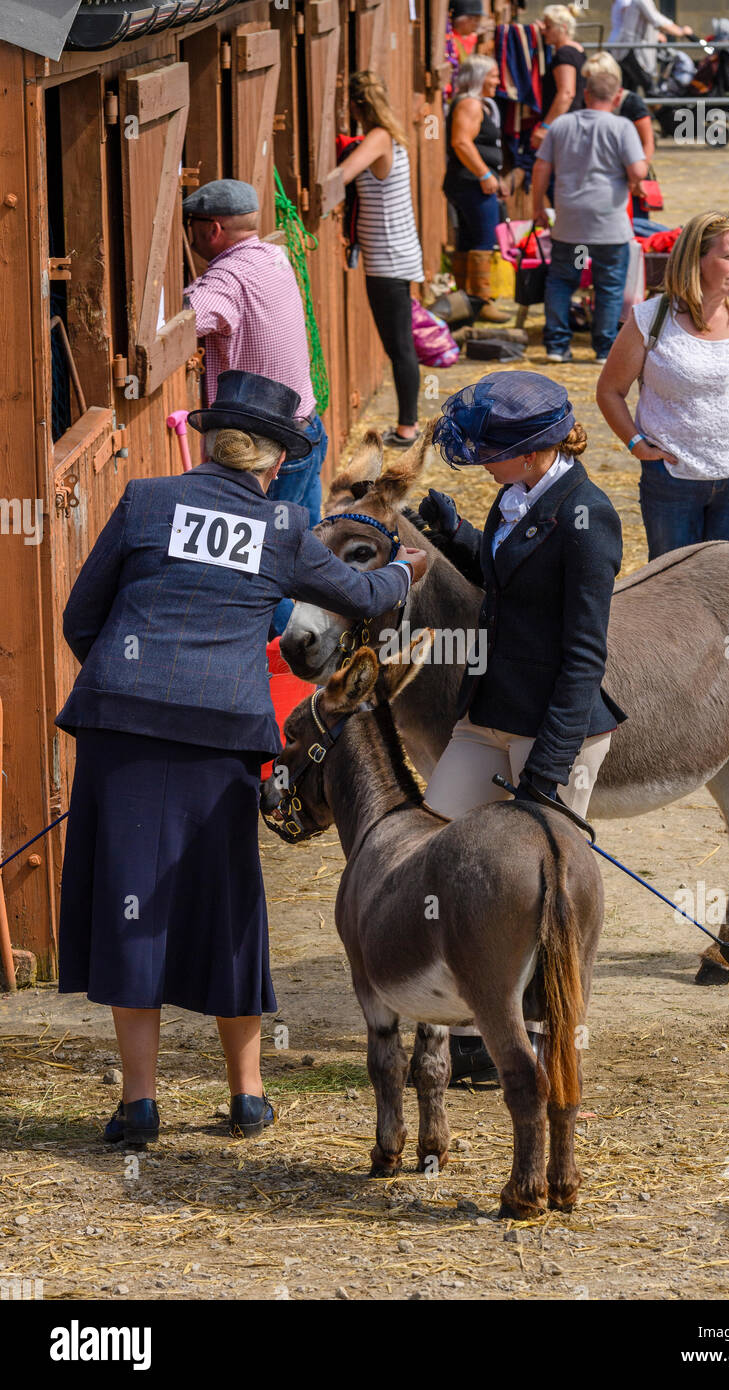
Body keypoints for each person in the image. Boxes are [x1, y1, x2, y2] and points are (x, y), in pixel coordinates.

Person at [55, 370, 427, 1148]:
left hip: (122, 726)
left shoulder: (147, 501)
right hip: (221, 734)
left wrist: (132, 684)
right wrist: (404, 571)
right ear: (269, 462)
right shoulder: (284, 527)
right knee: (228, 907)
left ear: (206, 441)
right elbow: (362, 597)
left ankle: (139, 1106)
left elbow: (81, 617)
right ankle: (248, 1098)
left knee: (132, 901)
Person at [418, 372, 626, 1082]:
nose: (478, 460)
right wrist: (456, 536)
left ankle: (542, 1044)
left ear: (534, 450)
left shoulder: (590, 517)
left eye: (488, 450)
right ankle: (459, 1011)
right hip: (488, 714)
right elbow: (506, 580)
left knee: (543, 893)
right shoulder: (512, 494)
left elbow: (583, 654)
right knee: (432, 840)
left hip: (554, 728)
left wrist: (549, 768)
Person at [596, 211, 729, 559]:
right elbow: (609, 391)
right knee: (673, 586)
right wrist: (636, 444)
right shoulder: (652, 318)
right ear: (696, 259)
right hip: (672, 480)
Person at [183, 178, 327, 634]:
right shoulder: (273, 257)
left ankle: (283, 662)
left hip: (266, 452)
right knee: (304, 553)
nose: (189, 236)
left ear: (213, 229)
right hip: (307, 428)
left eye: (192, 226)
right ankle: (322, 650)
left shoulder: (226, 278)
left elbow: (187, 321)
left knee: (261, 564)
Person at [531, 63, 647, 363]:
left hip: (571, 222)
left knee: (563, 280)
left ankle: (557, 345)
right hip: (608, 223)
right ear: (617, 97)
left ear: (585, 94)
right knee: (608, 284)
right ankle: (603, 347)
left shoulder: (560, 125)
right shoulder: (622, 127)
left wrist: (537, 209)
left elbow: (541, 166)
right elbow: (638, 169)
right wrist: (635, 179)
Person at [339, 72, 426, 449]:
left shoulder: (377, 138)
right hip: (395, 251)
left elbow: (342, 175)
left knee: (399, 346)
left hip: (387, 257)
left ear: (358, 107)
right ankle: (409, 423)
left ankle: (408, 427)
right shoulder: (390, 135)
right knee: (399, 343)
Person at [443, 56, 510, 324]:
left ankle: (463, 303)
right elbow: (461, 142)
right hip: (472, 183)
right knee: (483, 242)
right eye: (493, 75)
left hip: (469, 182)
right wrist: (484, 174)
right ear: (479, 77)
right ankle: (482, 302)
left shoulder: (470, 102)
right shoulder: (470, 104)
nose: (497, 81)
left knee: (468, 243)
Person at [582, 50, 666, 237]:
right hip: (602, 178)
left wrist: (638, 177)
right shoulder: (586, 101)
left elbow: (647, 142)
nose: (591, 85)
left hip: (631, 176)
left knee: (635, 229)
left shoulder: (631, 102)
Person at [529, 6, 586, 151]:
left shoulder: (564, 54)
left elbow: (566, 93)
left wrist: (545, 127)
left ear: (563, 28)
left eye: (548, 27)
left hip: (564, 126)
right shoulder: (577, 49)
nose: (544, 31)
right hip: (573, 121)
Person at [607, 0, 694, 93]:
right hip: (628, 49)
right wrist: (680, 31)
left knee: (628, 89)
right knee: (649, 89)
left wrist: (657, 34)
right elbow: (655, 18)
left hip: (622, 49)